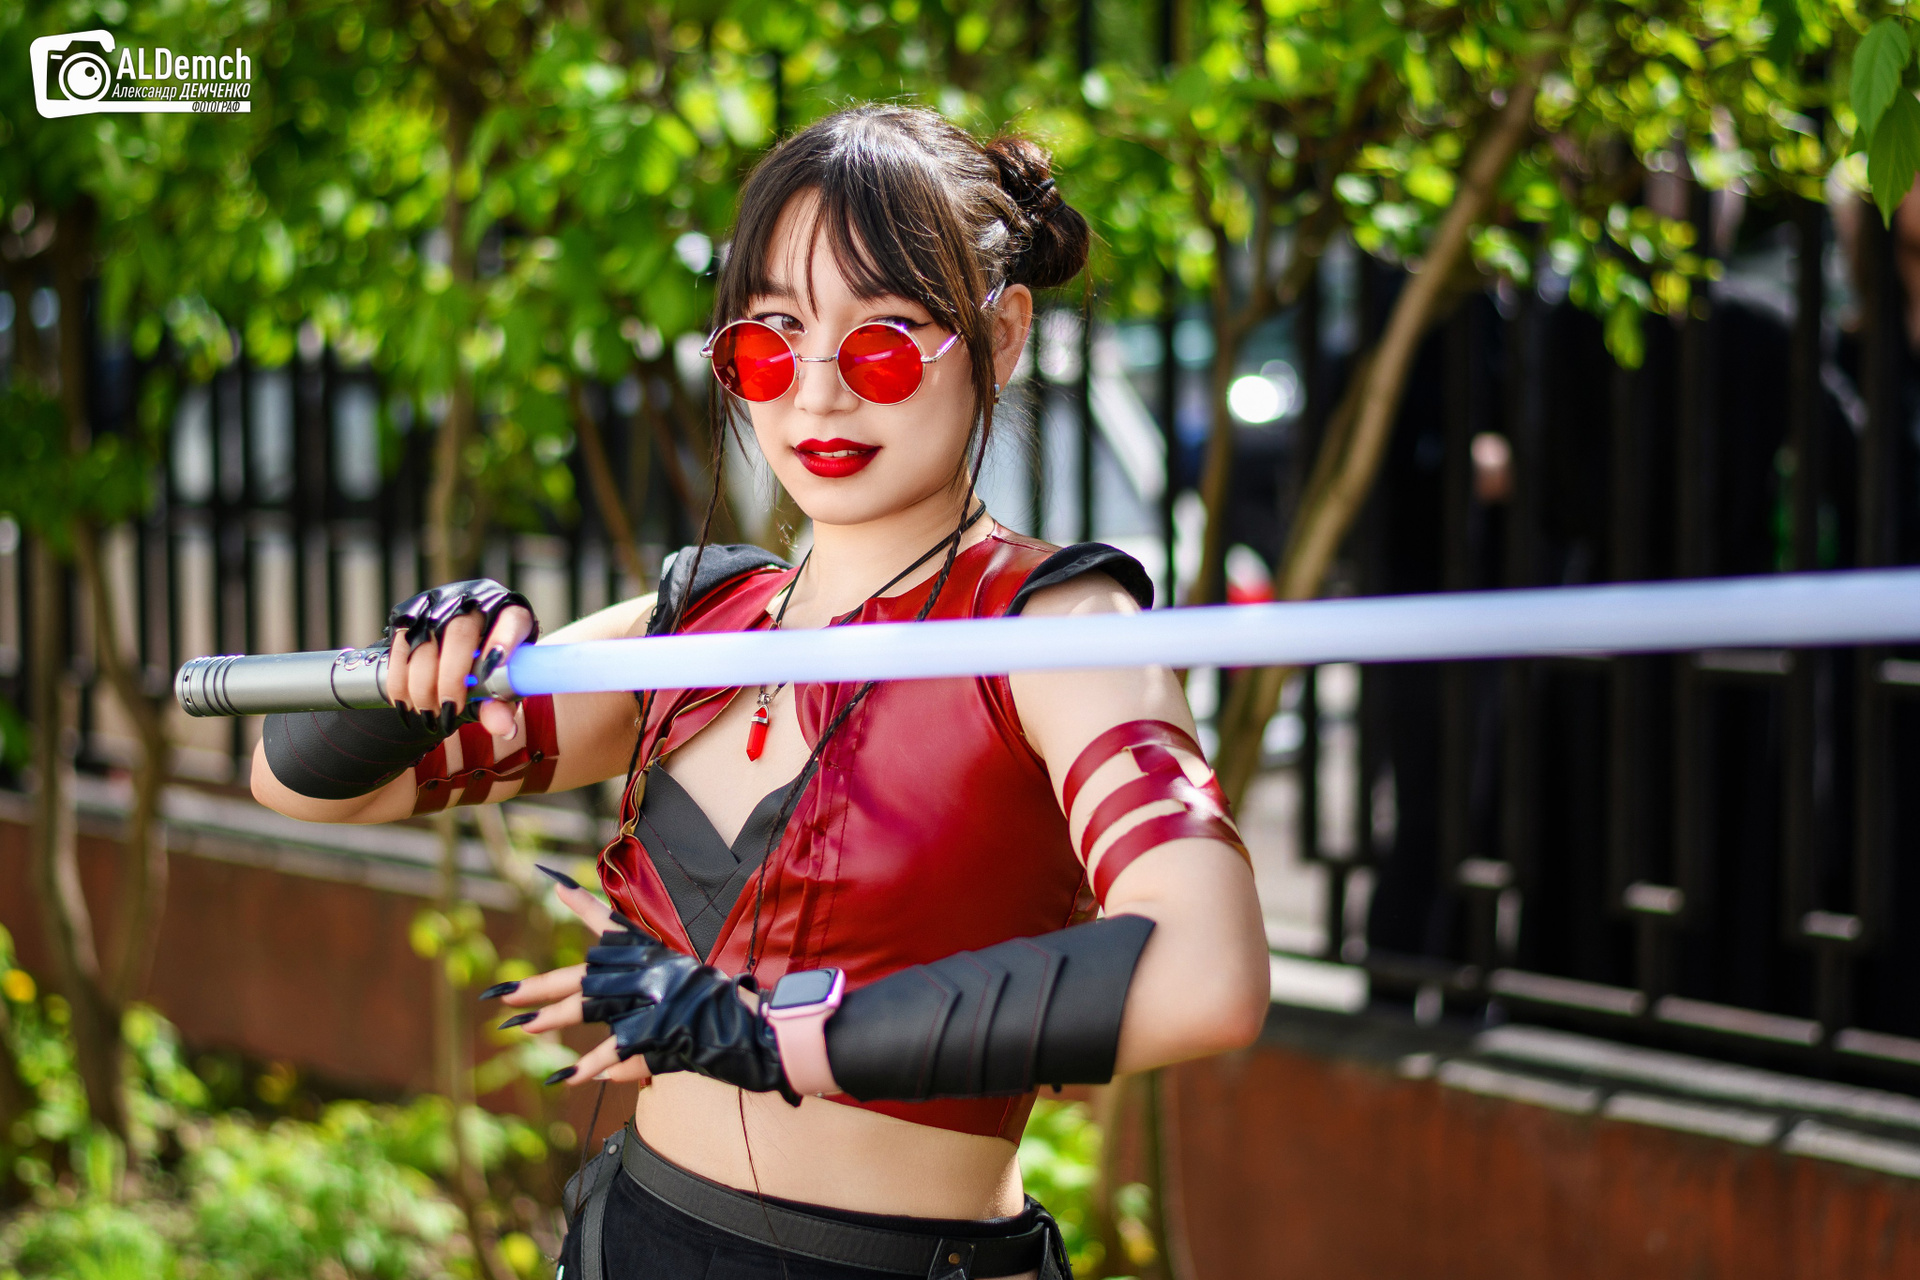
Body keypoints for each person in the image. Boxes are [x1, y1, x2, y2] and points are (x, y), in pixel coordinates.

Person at [251, 104, 1268, 1280]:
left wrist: (774, 1031)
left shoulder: (1054, 627)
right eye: (772, 341)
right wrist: (423, 667)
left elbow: (1208, 971)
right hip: (632, 1237)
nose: (819, 395)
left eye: (883, 340)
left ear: (1000, 335)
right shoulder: (697, 626)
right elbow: (303, 784)